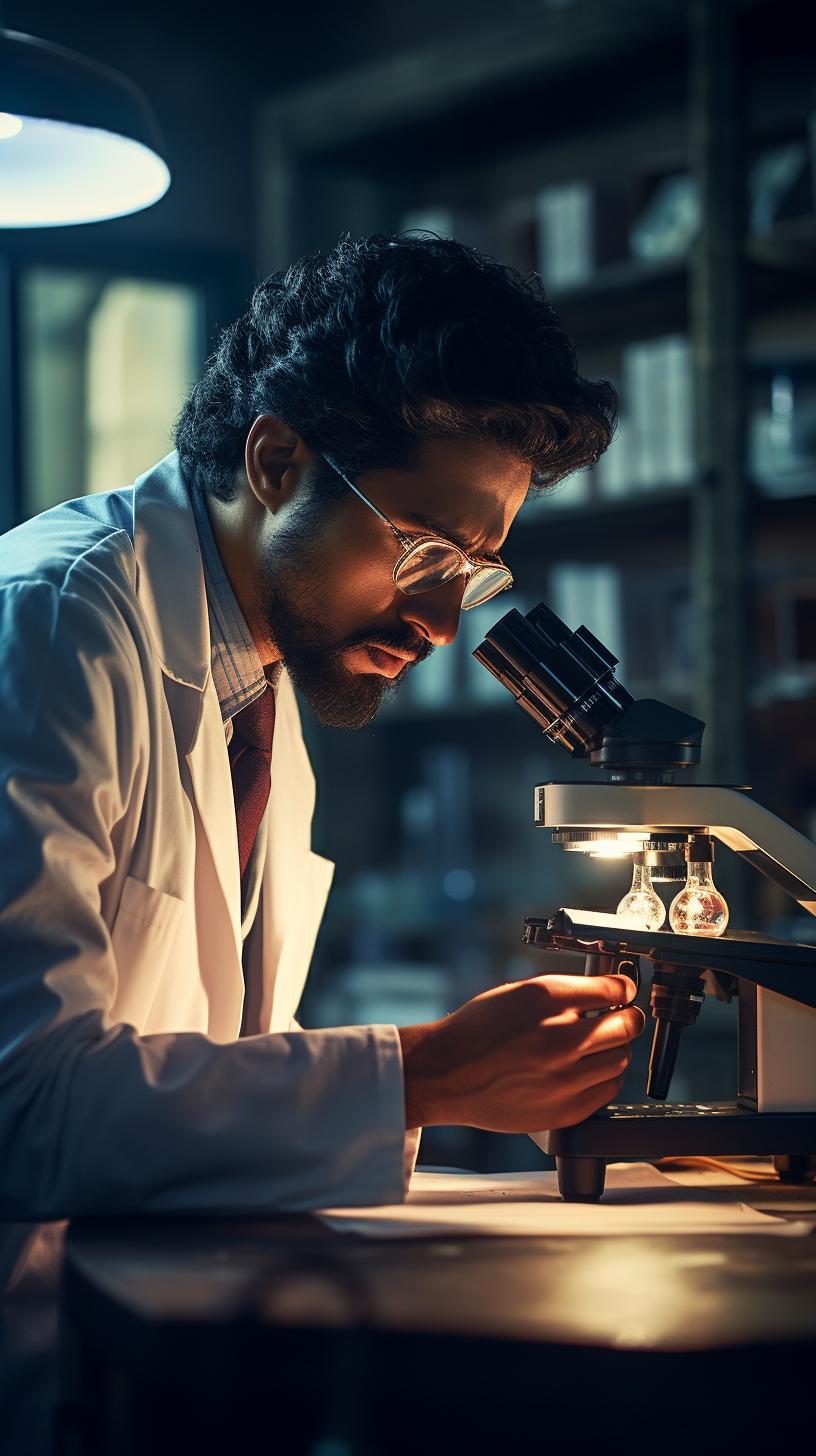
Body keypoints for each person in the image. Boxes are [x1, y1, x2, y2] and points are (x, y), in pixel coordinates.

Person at [0, 234, 643, 1222]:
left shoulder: (259, 687)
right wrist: (423, 1074)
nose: (438, 623)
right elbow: (23, 1109)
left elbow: (208, 1066)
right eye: (423, 547)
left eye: (469, 572)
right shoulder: (52, 626)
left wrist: (481, 1082)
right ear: (276, 461)